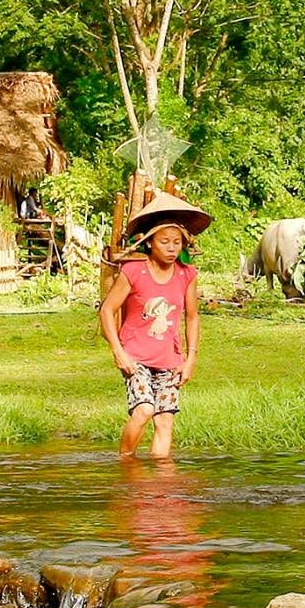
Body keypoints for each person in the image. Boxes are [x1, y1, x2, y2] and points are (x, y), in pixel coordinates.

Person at [99, 191, 210, 458]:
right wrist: (118, 351)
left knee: (165, 420)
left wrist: (190, 358)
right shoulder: (133, 271)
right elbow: (107, 310)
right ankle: (126, 463)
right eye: (165, 242)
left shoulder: (187, 275)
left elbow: (192, 317)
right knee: (145, 410)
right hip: (135, 357)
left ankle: (162, 487)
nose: (172, 248)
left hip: (170, 360)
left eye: (177, 243)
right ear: (150, 244)